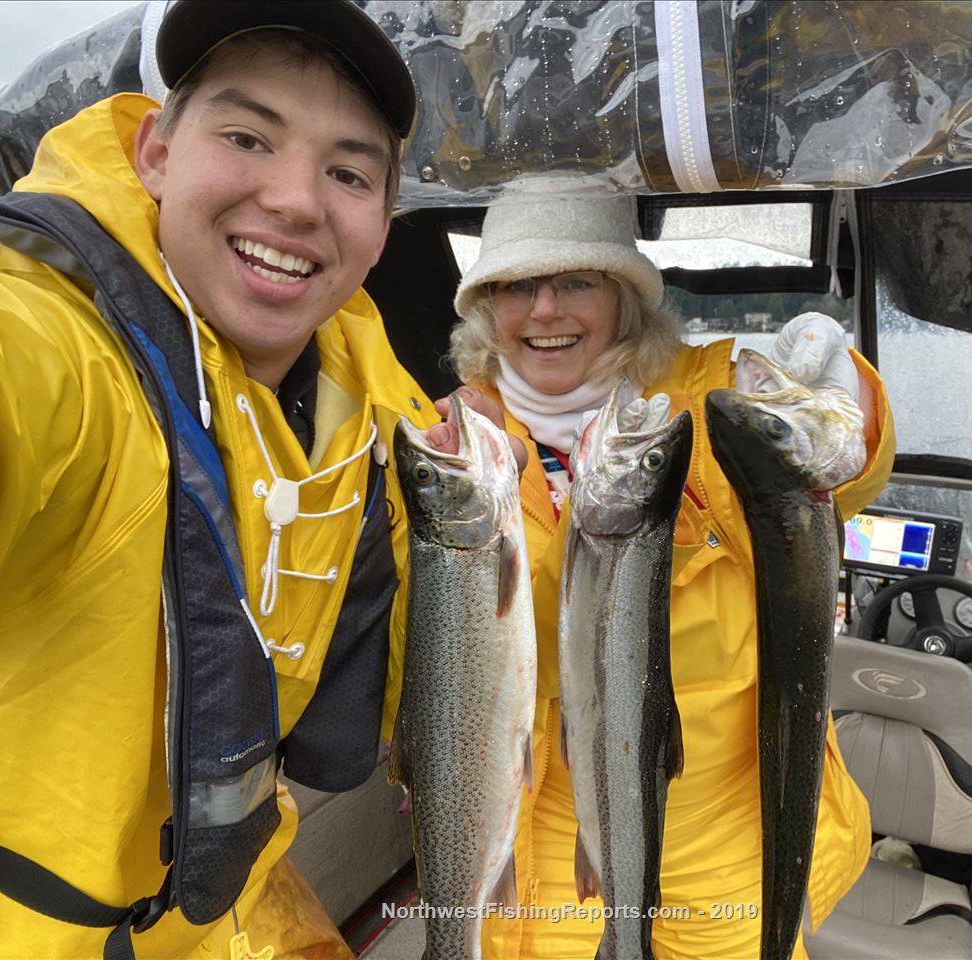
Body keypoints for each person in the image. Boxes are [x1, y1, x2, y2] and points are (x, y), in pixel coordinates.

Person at [0, 3, 487, 957]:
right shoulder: (52, 367)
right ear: (154, 152)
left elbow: (473, 648)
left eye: (348, 173)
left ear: (382, 228)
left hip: (236, 910)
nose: (297, 200)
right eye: (247, 137)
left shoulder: (390, 439)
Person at [382, 191, 896, 959]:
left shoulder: (712, 397)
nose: (545, 309)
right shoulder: (455, 443)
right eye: (517, 286)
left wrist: (848, 402)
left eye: (578, 281)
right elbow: (436, 649)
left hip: (729, 844)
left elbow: (824, 486)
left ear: (627, 297)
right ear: (485, 307)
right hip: (551, 847)